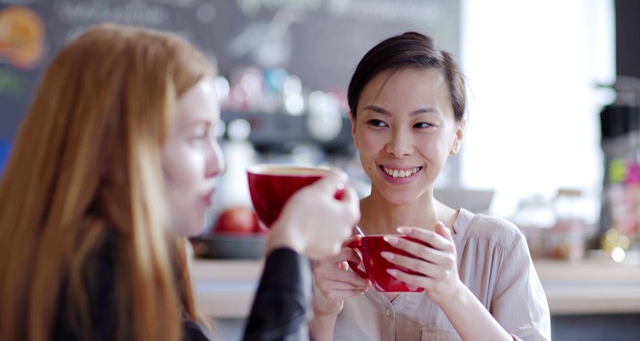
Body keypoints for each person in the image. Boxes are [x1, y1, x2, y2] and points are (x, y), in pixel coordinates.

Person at [0, 23, 360, 341]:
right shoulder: (98, 288)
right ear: (113, 153)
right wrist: (289, 248)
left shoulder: (82, 266)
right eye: (196, 137)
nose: (217, 164)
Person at [309, 31, 551, 341]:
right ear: (354, 127)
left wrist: (452, 293)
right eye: (378, 123)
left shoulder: (498, 249)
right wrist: (322, 316)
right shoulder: (311, 245)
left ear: (457, 134)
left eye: (422, 125)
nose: (399, 147)